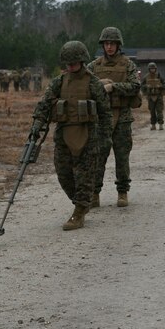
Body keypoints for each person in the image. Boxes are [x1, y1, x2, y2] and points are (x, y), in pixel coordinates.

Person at [29, 41, 112, 230]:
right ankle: (81, 202)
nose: (70, 67)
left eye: (73, 63)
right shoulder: (59, 82)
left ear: (82, 61)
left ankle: (79, 212)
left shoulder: (93, 83)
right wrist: (37, 124)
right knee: (64, 175)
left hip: (88, 136)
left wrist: (105, 137)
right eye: (67, 64)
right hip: (64, 135)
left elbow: (105, 113)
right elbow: (44, 104)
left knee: (85, 177)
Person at [87, 26, 141, 208]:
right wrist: (99, 85)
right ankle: (94, 193)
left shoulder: (128, 65)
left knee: (122, 156)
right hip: (101, 117)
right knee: (98, 156)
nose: (109, 47)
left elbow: (135, 86)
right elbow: (84, 85)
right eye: (106, 43)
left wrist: (114, 86)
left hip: (123, 116)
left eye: (113, 43)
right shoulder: (94, 66)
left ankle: (122, 192)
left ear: (119, 45)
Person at [141, 62, 165, 130]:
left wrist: (160, 86)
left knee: (159, 111)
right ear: (149, 69)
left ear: (155, 69)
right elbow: (141, 86)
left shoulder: (159, 76)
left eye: (153, 69)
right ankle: (153, 125)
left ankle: (161, 124)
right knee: (152, 111)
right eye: (151, 69)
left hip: (158, 96)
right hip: (150, 97)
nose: (152, 70)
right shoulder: (146, 77)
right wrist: (146, 87)